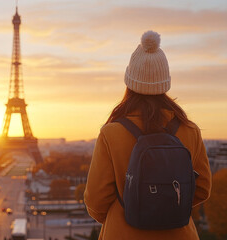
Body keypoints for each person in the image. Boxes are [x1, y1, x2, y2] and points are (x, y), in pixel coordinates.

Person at [84, 30, 212, 240]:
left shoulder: (111, 133)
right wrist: (168, 207)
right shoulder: (190, 131)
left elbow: (96, 200)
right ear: (166, 81)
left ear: (129, 82)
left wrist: (125, 215)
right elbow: (202, 189)